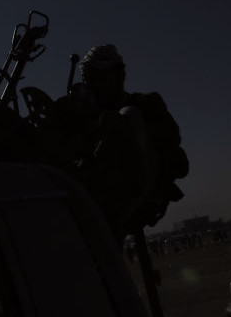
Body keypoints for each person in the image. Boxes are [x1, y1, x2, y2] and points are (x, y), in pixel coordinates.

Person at [42, 45, 189, 240]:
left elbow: (173, 150)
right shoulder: (74, 112)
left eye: (99, 76)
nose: (92, 83)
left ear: (118, 76)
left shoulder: (142, 107)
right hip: (81, 203)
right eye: (88, 77)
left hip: (126, 202)